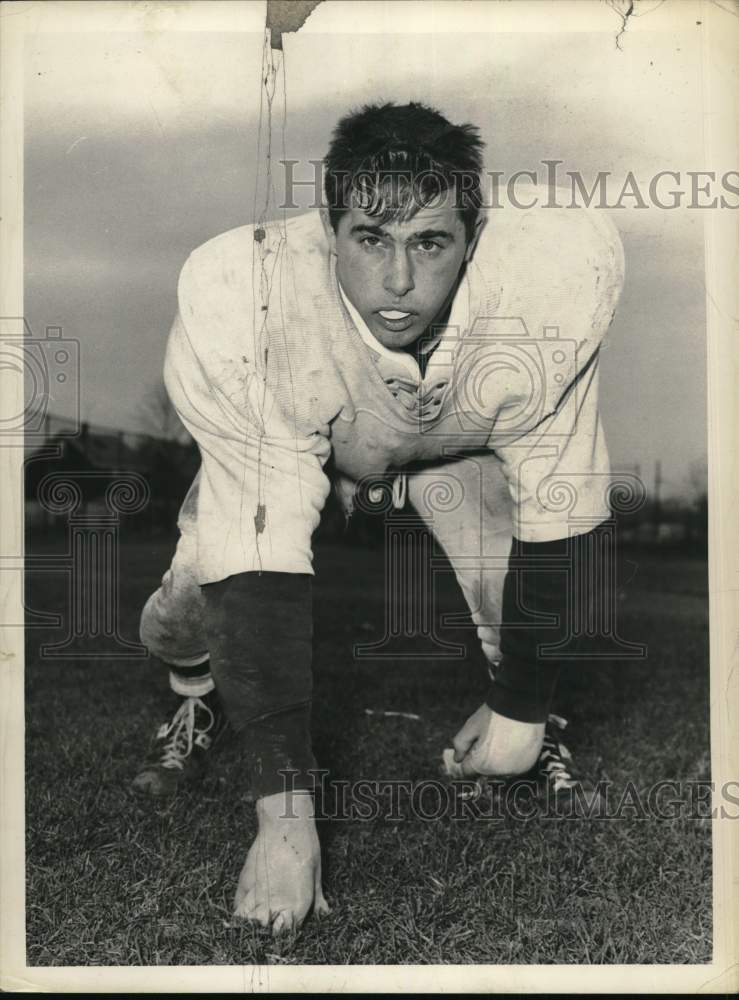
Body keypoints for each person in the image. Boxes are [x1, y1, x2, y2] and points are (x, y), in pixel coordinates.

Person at [133, 102, 624, 933]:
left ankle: (534, 727)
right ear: (329, 232)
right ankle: (194, 693)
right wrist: (284, 822)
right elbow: (260, 551)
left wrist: (521, 707)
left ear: (474, 237)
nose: (398, 283)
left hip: (463, 441)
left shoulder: (553, 282)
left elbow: (562, 501)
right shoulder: (246, 294)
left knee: (523, 608)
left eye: (430, 242)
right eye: (370, 238)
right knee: (188, 610)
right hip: (308, 433)